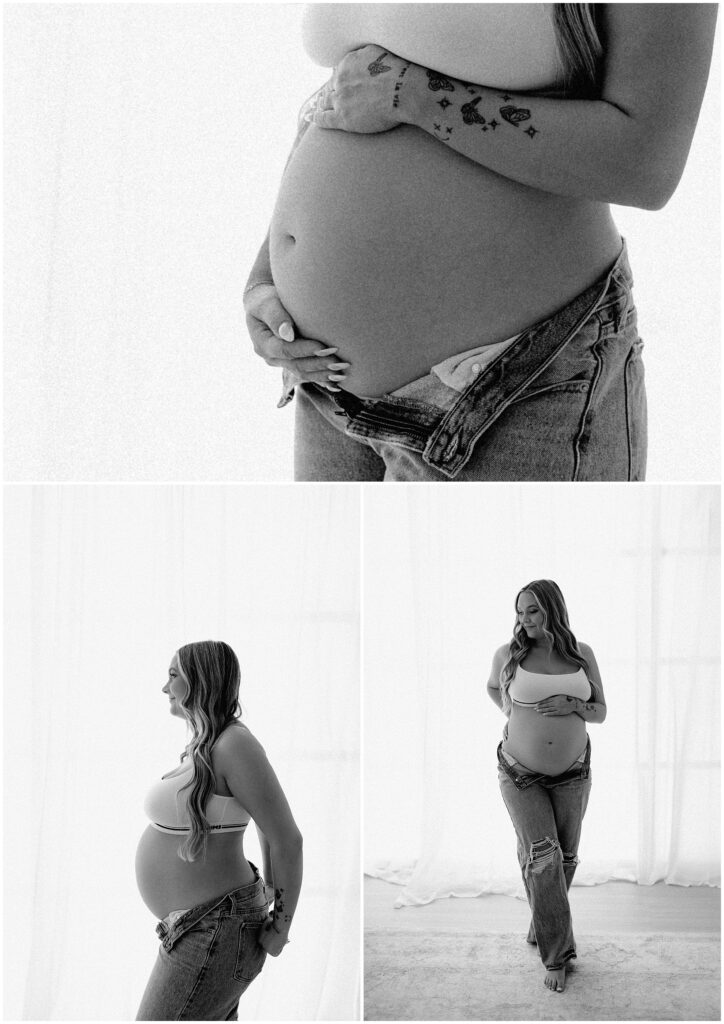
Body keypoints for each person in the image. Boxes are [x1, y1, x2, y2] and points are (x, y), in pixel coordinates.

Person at [244, 4, 717, 481]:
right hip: (328, 388)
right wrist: (268, 275)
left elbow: (645, 162)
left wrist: (415, 95)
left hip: (513, 386)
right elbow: (351, 84)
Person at [135, 641, 303, 1020]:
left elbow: (287, 839)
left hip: (215, 929)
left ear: (200, 680)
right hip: (199, 927)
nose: (165, 688)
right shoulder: (208, 744)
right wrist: (271, 884)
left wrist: (281, 925)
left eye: (173, 676)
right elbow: (262, 821)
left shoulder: (234, 745)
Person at [486, 580, 606, 993]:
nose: (525, 620)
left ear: (552, 609)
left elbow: (601, 711)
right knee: (543, 857)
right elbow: (491, 686)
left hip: (573, 772)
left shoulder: (581, 655)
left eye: (533, 611)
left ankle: (543, 918)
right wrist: (509, 707)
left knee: (565, 857)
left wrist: (574, 705)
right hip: (519, 771)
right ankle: (557, 954)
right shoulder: (509, 655)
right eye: (520, 612)